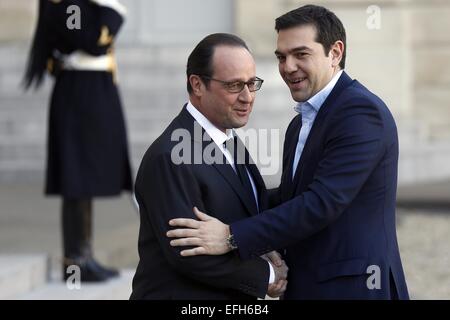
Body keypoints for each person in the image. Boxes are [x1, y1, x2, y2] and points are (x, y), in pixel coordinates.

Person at [167, 5, 409, 300]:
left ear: (335, 53)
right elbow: (291, 198)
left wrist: (231, 235)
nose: (288, 66)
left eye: (301, 54)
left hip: (353, 288)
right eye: (281, 57)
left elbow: (320, 203)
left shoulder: (359, 112)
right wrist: (216, 206)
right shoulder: (300, 123)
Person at [130, 33, 288, 300]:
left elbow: (245, 204)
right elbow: (189, 254)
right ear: (197, 85)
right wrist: (268, 275)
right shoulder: (169, 157)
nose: (247, 97)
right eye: (234, 85)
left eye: (252, 83)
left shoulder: (226, 136)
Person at [23, 0, 132, 282]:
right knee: (76, 182)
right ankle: (75, 264)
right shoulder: (67, 6)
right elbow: (92, 39)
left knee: (86, 183)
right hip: (78, 95)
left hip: (94, 92)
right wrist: (114, 11)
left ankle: (85, 257)